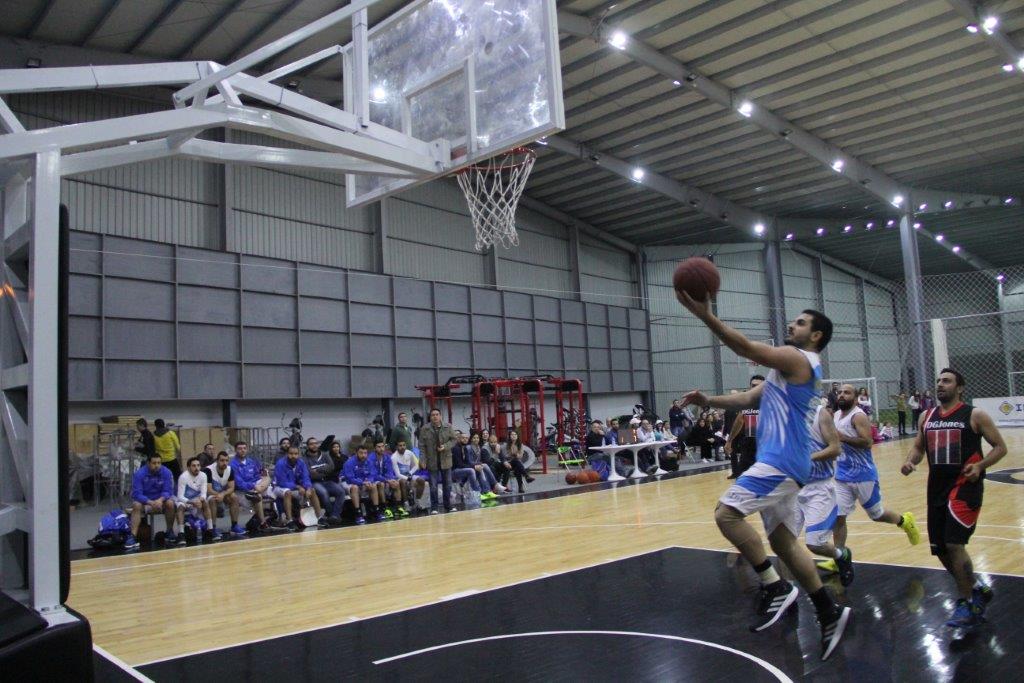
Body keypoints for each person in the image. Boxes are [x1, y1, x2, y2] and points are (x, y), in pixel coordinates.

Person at [677, 298, 850, 661]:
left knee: (726, 514)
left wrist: (704, 314)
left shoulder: (798, 358)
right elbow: (746, 399)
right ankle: (828, 610)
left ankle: (774, 586)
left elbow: (744, 347)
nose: (791, 326)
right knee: (783, 543)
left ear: (815, 336)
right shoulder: (783, 371)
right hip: (788, 463)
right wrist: (708, 400)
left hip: (781, 461)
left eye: (800, 323)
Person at [901, 368, 1007, 628]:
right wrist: (910, 461)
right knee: (940, 549)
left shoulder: (974, 415)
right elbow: (918, 447)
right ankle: (976, 588)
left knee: (954, 544)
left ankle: (966, 602)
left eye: (947, 381)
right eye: (938, 380)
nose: (940, 384)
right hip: (936, 488)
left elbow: (1000, 447)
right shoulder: (926, 416)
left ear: (960, 388)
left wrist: (980, 466)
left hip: (964, 487)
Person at [830, 384, 920, 572]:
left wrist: (842, 438)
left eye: (847, 392)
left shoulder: (858, 416)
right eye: (840, 392)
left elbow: (867, 442)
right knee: (838, 517)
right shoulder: (836, 415)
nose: (842, 395)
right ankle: (839, 556)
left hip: (863, 475)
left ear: (855, 398)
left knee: (877, 515)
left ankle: (904, 521)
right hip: (842, 475)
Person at [796, 404, 854, 586]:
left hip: (818, 487)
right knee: (783, 542)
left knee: (815, 544)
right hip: (791, 487)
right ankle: (785, 587)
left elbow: (836, 449)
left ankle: (841, 555)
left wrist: (808, 458)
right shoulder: (781, 415)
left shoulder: (820, 413)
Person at [126, 452, 176, 550]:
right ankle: (132, 536)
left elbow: (168, 491)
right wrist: (150, 502)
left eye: (159, 463)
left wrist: (160, 500)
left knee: (170, 503)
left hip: (160, 501)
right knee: (136, 505)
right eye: (154, 463)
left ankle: (169, 531)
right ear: (148, 463)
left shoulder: (167, 472)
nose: (157, 465)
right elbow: (136, 494)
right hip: (146, 502)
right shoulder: (139, 474)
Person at [273, 445, 325, 530]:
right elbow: (281, 482)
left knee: (312, 490)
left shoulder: (301, 462)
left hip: (295, 488)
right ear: (287, 454)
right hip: (278, 487)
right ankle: (289, 521)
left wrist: (308, 487)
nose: (293, 456)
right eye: (291, 454)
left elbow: (305, 477)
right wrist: (297, 487)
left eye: (296, 454)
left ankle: (320, 518)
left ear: (299, 454)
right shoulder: (280, 463)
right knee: (287, 492)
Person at [418, 408, 457, 514]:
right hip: (432, 460)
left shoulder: (448, 427)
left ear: (440, 416)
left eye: (437, 414)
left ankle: (448, 505)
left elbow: (454, 440)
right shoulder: (425, 429)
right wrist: (422, 459)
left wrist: (445, 446)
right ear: (430, 417)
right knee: (433, 486)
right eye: (433, 415)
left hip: (446, 459)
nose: (435, 416)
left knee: (447, 485)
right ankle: (434, 507)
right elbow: (421, 446)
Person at [724, 375, 764, 479]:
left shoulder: (771, 402)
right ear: (750, 386)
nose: (755, 388)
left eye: (758, 386)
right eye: (753, 385)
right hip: (750, 445)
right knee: (743, 478)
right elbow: (740, 420)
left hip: (767, 447)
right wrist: (729, 440)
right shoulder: (748, 402)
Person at [230, 440, 270, 529]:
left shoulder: (251, 461)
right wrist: (253, 485)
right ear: (235, 450)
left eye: (244, 448)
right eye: (240, 449)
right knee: (257, 496)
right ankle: (263, 523)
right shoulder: (232, 464)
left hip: (257, 487)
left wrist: (257, 485)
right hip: (241, 491)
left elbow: (257, 475)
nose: (242, 450)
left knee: (267, 478)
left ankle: (257, 490)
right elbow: (239, 483)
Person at [204, 450, 245, 537]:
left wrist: (222, 494)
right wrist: (219, 495)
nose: (224, 463)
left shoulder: (229, 470)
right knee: (212, 500)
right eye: (222, 460)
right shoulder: (208, 470)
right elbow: (208, 489)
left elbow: (231, 487)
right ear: (217, 461)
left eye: (226, 460)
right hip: (209, 494)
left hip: (221, 493)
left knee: (234, 497)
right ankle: (212, 527)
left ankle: (234, 525)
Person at [304, 437, 345, 520]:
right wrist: (324, 469)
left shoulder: (325, 454)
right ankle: (331, 514)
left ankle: (335, 515)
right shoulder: (304, 459)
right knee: (324, 493)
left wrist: (317, 470)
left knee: (341, 491)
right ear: (307, 446)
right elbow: (309, 473)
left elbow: (331, 467)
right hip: (314, 482)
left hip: (327, 480)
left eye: (316, 443)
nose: (314, 445)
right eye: (311, 444)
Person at [175, 456, 213, 545]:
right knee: (180, 507)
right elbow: (180, 496)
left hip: (197, 500)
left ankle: (210, 529)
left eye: (198, 465)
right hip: (185, 500)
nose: (197, 468)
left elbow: (204, 493)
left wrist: (200, 500)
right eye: (194, 466)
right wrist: (191, 502)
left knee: (205, 502)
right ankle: (181, 533)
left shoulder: (203, 475)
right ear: (188, 467)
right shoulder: (183, 477)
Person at [342, 445, 382, 523]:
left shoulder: (369, 461)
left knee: (373, 486)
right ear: (356, 453)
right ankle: (358, 513)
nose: (363, 455)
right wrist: (362, 483)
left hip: (363, 482)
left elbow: (372, 474)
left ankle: (376, 509)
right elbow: (350, 478)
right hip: (347, 482)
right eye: (361, 453)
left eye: (365, 453)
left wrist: (369, 481)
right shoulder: (349, 462)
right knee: (355, 488)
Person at [371, 440, 405, 518]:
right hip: (374, 479)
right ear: (375, 448)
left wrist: (391, 480)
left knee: (396, 483)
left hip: (385, 478)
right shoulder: (370, 458)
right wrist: (387, 480)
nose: (381, 449)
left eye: (382, 446)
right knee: (381, 484)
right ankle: (384, 507)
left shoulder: (387, 456)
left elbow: (390, 471)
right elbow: (373, 474)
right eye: (379, 447)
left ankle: (398, 507)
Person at [391, 439, 425, 509]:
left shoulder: (409, 453)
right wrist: (408, 479)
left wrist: (410, 473)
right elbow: (397, 474)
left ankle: (417, 501)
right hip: (399, 477)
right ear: (396, 447)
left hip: (409, 475)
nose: (402, 447)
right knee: (404, 482)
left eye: (404, 445)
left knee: (422, 480)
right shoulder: (393, 457)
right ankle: (406, 504)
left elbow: (416, 466)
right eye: (400, 446)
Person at [450, 431, 482, 504]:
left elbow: (468, 462)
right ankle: (477, 492)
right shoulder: (456, 448)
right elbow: (459, 464)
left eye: (467, 438)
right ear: (459, 438)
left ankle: (485, 490)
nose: (465, 439)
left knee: (481, 467)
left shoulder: (465, 448)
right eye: (463, 438)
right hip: (454, 471)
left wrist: (478, 464)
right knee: (471, 470)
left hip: (462, 469)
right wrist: (474, 467)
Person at [500, 429, 535, 494]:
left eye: (515, 434)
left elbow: (520, 456)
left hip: (516, 464)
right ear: (509, 436)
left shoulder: (520, 445)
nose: (513, 436)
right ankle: (526, 477)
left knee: (517, 466)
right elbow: (504, 456)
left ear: (517, 436)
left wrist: (515, 454)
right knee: (516, 461)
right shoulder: (506, 445)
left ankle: (521, 487)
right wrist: (513, 454)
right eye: (512, 434)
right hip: (507, 463)